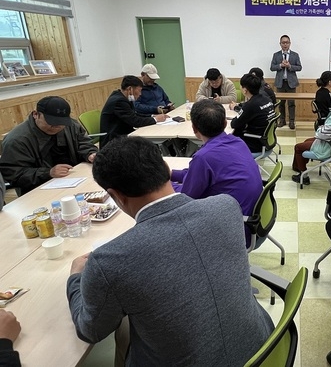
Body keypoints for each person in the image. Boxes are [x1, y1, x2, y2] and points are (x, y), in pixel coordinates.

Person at [67, 137, 274, 367]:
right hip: (263, 349)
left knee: (125, 331)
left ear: (115, 196)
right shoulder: (226, 206)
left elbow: (91, 330)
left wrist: (75, 279)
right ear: (166, 169)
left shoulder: (108, 261)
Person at [171, 100, 263, 245]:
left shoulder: (204, 157)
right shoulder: (237, 142)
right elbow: (196, 176)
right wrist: (171, 174)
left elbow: (186, 197)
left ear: (194, 128)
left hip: (236, 229)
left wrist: (166, 184)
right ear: (225, 123)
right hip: (254, 221)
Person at [0, 96, 98, 195]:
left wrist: (90, 153)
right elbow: (13, 174)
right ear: (35, 114)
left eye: (61, 123)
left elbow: (83, 142)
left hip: (75, 179)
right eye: (52, 122)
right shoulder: (17, 140)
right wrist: (48, 173)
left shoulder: (71, 125)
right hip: (37, 191)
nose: (57, 126)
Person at [292, 85, 331, 185]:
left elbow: (320, 135)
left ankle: (303, 175)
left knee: (298, 147)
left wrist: (320, 128)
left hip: (329, 146)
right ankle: (299, 168)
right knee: (306, 142)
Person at [99, 75, 167, 148]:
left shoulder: (124, 97)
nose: (140, 94)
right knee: (148, 146)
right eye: (139, 90)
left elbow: (134, 115)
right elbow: (135, 121)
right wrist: (156, 119)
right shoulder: (119, 101)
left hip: (123, 135)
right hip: (114, 142)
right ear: (130, 89)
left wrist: (153, 116)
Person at [230, 73, 276, 153]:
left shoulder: (250, 105)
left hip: (255, 143)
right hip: (266, 140)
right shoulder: (266, 99)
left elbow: (234, 124)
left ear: (245, 90)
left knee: (228, 138)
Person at [270, 34, 302, 129]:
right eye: (283, 43)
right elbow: (272, 67)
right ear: (280, 44)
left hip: (291, 83)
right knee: (281, 103)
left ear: (290, 43)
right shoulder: (276, 55)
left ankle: (292, 121)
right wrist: (280, 65)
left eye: (287, 42)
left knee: (291, 103)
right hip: (280, 82)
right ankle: (282, 120)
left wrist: (289, 66)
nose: (285, 44)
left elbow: (299, 67)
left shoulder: (295, 55)